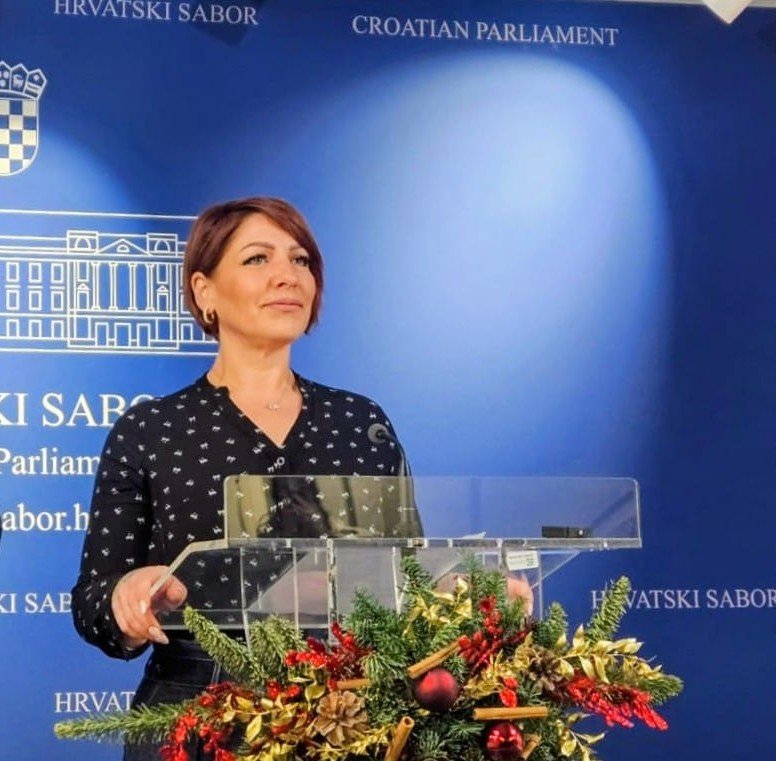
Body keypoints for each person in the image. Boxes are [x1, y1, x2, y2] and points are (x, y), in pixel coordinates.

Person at [70, 197, 413, 760]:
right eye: (258, 259)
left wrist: (471, 595)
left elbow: (408, 574)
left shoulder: (361, 422)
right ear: (204, 291)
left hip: (350, 711)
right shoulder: (151, 430)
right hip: (199, 716)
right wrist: (127, 600)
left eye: (301, 260)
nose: (288, 275)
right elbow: (93, 601)